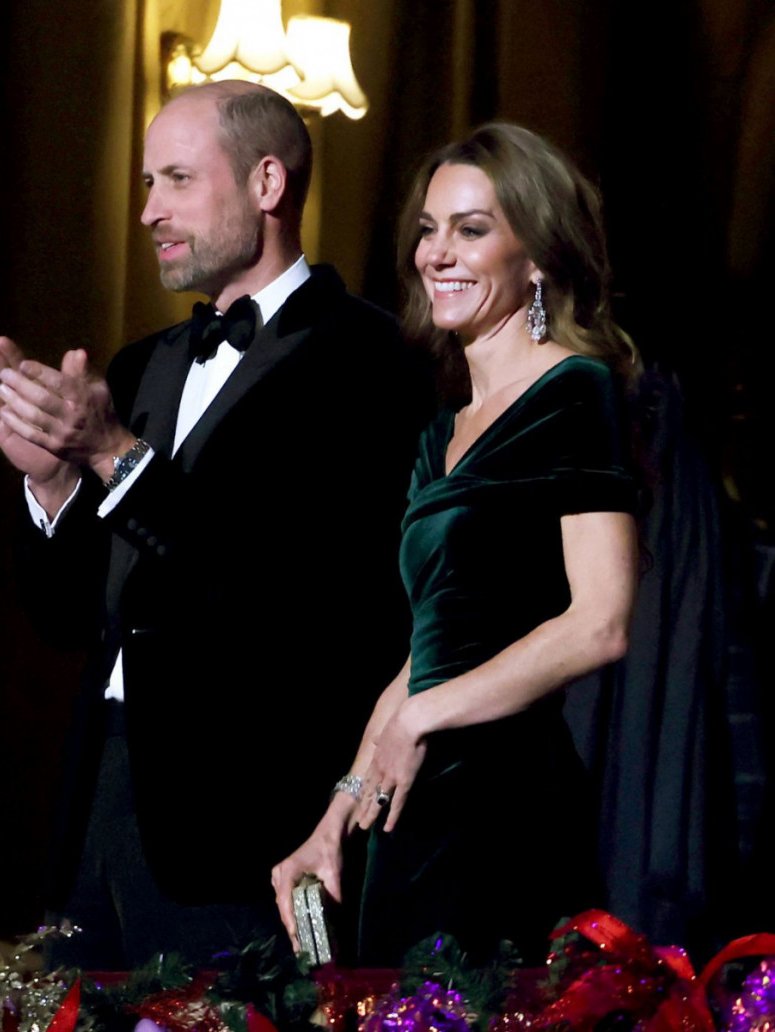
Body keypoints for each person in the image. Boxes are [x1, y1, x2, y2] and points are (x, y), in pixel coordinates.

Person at [0, 81, 425, 968]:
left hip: (243, 825)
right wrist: (52, 485)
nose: (148, 211)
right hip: (99, 802)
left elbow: (284, 596)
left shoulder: (369, 362)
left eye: (176, 179)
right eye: (148, 183)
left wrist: (115, 457)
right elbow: (67, 617)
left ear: (266, 183)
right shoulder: (143, 364)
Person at [272, 123, 640, 967]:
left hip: (502, 795)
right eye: (429, 229)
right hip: (413, 801)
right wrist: (335, 816)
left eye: (471, 229)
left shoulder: (575, 392)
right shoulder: (442, 431)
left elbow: (601, 623)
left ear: (536, 257)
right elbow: (426, 652)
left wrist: (425, 716)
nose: (436, 253)